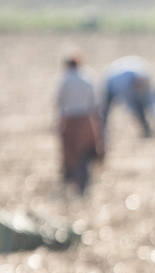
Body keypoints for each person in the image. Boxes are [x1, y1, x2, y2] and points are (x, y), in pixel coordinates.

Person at [55, 51, 104, 195]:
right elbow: (95, 102)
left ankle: (72, 183)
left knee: (71, 153)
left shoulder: (65, 80)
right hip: (86, 119)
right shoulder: (87, 78)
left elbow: (59, 102)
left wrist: (59, 122)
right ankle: (84, 184)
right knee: (86, 152)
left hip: (70, 120)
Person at [100, 56, 155, 139]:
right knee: (105, 111)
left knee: (140, 106)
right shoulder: (123, 84)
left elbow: (150, 101)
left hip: (124, 74)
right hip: (110, 84)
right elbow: (129, 104)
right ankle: (102, 132)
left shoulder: (146, 78)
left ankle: (146, 130)